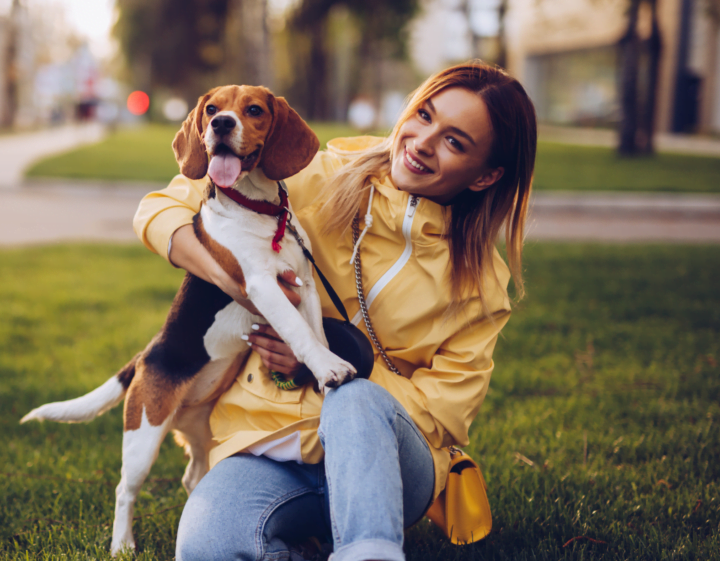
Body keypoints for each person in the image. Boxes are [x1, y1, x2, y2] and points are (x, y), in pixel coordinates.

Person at [132, 61, 537, 561]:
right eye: (424, 115)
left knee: (352, 398)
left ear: (487, 175)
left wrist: (339, 361)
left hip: (391, 464)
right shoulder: (312, 176)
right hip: (268, 443)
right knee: (208, 548)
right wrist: (235, 281)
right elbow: (159, 209)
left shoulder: (482, 286)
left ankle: (369, 549)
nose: (423, 141)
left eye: (455, 142)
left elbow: (443, 415)